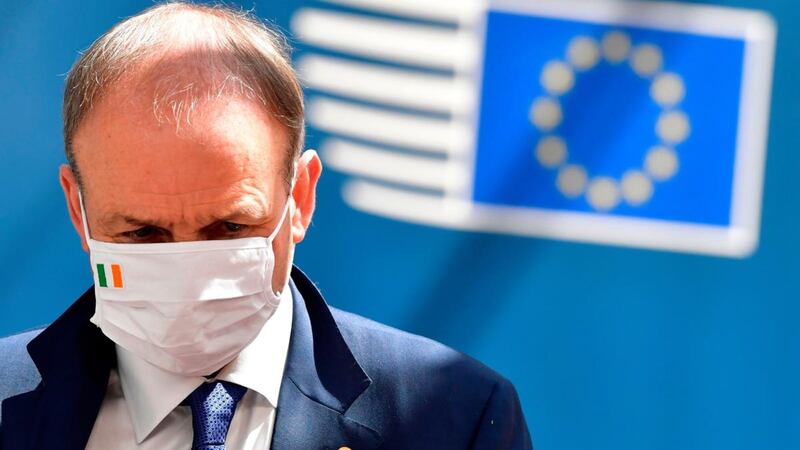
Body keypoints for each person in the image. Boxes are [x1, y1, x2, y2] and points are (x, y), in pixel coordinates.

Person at [0, 2, 532, 449]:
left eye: (229, 226)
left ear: (299, 197)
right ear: (78, 209)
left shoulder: (453, 417)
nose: (191, 275)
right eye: (142, 234)